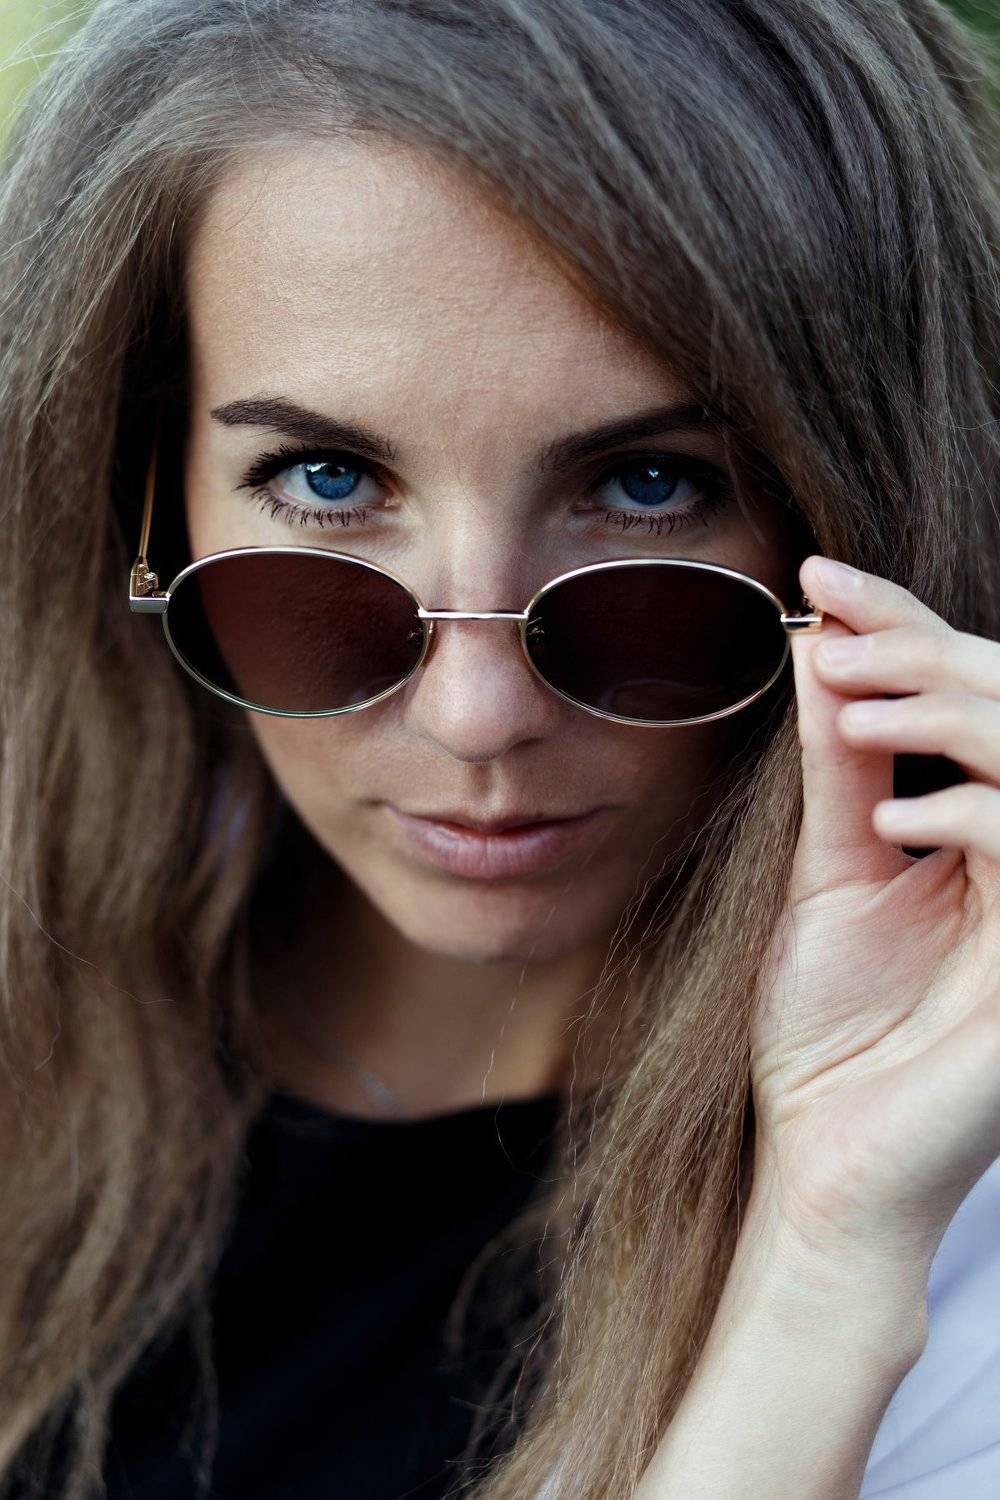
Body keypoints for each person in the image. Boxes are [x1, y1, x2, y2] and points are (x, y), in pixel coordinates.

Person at [0, 1, 998, 1497]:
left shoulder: (950, 1216)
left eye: (650, 484)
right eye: (323, 477)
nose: (478, 715)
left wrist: (826, 1259)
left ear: (855, 505)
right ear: (147, 488)